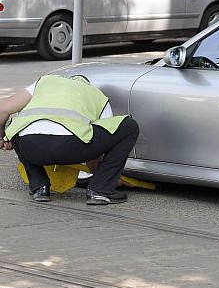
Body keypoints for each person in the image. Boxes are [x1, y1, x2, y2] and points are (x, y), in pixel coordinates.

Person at [0, 74, 139, 205]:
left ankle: (39, 187)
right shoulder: (96, 94)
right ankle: (100, 192)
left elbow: (3, 109)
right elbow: (97, 151)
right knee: (129, 127)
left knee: (15, 125)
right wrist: (106, 178)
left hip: (31, 147)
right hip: (72, 148)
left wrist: (3, 138)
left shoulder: (44, 82)